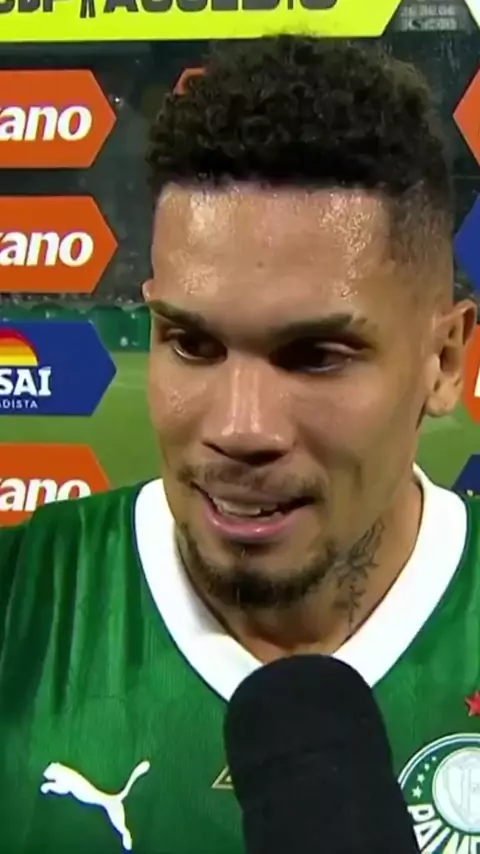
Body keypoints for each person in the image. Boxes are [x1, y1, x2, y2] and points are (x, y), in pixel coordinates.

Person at [0, 34, 478, 854]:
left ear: (443, 361)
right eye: (191, 343)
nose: (239, 428)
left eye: (316, 356)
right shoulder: (24, 606)